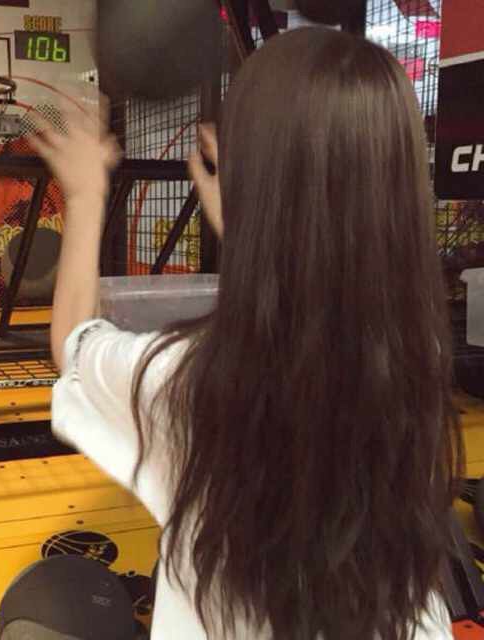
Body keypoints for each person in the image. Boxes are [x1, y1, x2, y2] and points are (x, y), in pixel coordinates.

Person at [30, 26, 462, 640]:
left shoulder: (185, 380)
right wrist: (253, 230)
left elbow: (73, 342)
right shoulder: (415, 352)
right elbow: (321, 295)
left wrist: (84, 193)